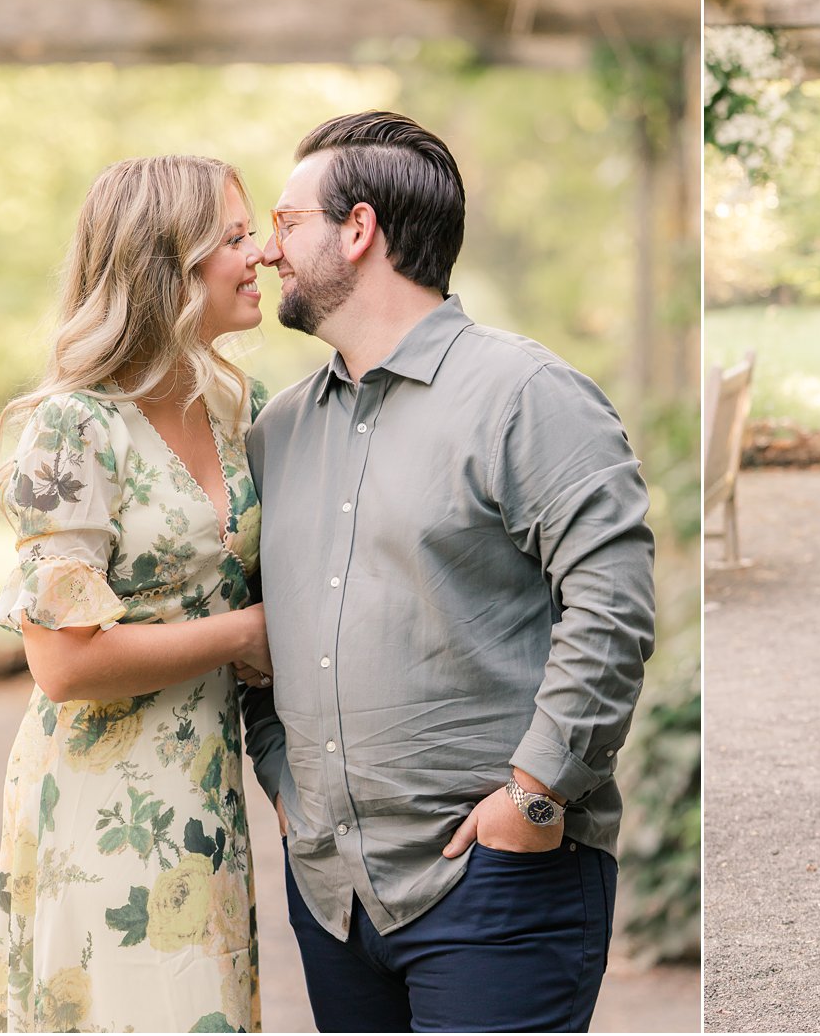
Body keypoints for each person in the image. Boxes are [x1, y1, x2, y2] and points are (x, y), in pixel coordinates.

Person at [241, 110, 656, 1033]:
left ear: (358, 229)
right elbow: (260, 632)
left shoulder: (527, 395)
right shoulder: (277, 431)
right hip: (332, 891)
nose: (269, 252)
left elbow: (612, 607)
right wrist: (284, 782)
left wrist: (533, 794)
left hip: (500, 878)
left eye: (284, 221)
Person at [0, 156, 273, 1032]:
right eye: (234, 236)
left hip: (206, 795)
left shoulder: (238, 406)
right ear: (168, 265)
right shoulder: (74, 427)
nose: (259, 253)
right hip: (103, 807)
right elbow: (62, 664)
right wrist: (243, 632)